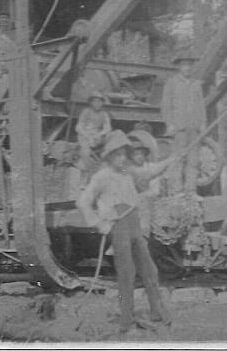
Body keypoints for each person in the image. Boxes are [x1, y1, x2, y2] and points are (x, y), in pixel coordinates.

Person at [76, 130, 176, 334]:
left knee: (150, 271)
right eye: (118, 154)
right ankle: (126, 321)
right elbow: (83, 202)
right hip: (119, 227)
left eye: (124, 154)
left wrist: (173, 159)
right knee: (126, 275)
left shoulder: (128, 172)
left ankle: (157, 312)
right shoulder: (101, 177)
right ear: (110, 156)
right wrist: (99, 223)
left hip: (134, 225)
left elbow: (151, 172)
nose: (123, 158)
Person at [160, 48, 207, 194]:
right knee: (178, 159)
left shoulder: (196, 84)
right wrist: (170, 124)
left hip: (194, 128)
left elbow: (201, 106)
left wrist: (203, 123)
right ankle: (176, 191)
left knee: (193, 161)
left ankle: (190, 190)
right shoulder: (172, 83)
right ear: (179, 66)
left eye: (189, 64)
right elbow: (165, 106)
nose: (187, 67)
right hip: (179, 128)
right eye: (184, 64)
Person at [75, 91, 112, 186]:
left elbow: (108, 127)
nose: (97, 103)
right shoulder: (86, 112)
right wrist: (88, 136)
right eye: (94, 101)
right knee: (85, 153)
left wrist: (100, 134)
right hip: (85, 136)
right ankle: (85, 176)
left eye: (99, 101)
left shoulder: (104, 114)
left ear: (102, 103)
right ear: (91, 103)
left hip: (96, 136)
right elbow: (79, 127)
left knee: (109, 146)